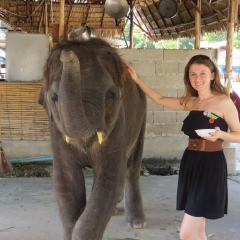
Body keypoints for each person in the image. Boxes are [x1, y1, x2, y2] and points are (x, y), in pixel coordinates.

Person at [126, 54, 240, 240]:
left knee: (186, 233)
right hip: (191, 162)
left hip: (210, 165)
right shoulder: (191, 102)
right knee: (198, 229)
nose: (198, 79)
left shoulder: (223, 101)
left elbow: (239, 135)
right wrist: (137, 79)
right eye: (193, 74)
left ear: (212, 75)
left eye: (202, 73)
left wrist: (221, 135)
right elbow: (160, 99)